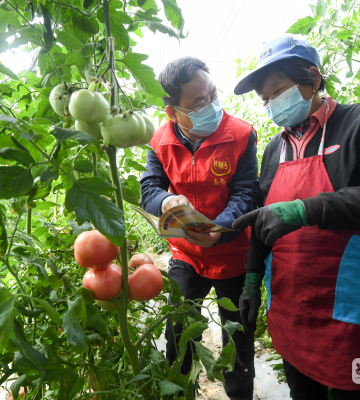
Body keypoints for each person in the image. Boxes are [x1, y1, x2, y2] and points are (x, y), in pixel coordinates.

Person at [232, 35, 360, 400]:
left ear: (314, 78)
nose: (271, 103)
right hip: (294, 308)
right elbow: (263, 223)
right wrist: (252, 279)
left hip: (357, 308)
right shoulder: (274, 150)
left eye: (277, 91)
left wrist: (306, 209)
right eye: (265, 98)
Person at [140, 57, 259, 400]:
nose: (211, 106)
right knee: (178, 334)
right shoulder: (160, 141)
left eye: (212, 95)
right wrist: (166, 201)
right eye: (198, 102)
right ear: (172, 111)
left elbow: (246, 192)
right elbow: (149, 189)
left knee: (238, 339)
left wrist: (220, 228)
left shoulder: (240, 135)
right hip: (186, 253)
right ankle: (180, 393)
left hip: (233, 254)